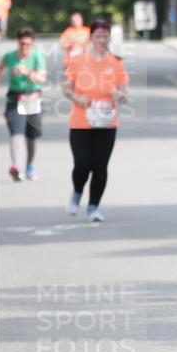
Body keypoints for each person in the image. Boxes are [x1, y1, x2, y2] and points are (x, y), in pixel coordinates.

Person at [61, 19, 128, 222]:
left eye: (105, 36)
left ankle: (93, 207)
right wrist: (76, 98)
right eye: (98, 36)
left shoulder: (116, 63)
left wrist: (119, 95)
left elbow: (125, 93)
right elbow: (66, 87)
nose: (102, 40)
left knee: (100, 166)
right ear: (91, 38)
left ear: (109, 38)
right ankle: (77, 192)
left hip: (107, 122)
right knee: (82, 164)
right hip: (81, 121)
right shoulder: (78, 60)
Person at [0, 26, 47, 181]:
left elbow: (42, 78)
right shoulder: (9, 57)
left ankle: (29, 166)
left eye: (27, 44)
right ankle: (16, 166)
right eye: (22, 44)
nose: (24, 47)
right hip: (14, 99)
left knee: (31, 137)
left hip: (32, 98)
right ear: (18, 43)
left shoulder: (37, 56)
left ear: (32, 44)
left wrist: (26, 72)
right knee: (16, 132)